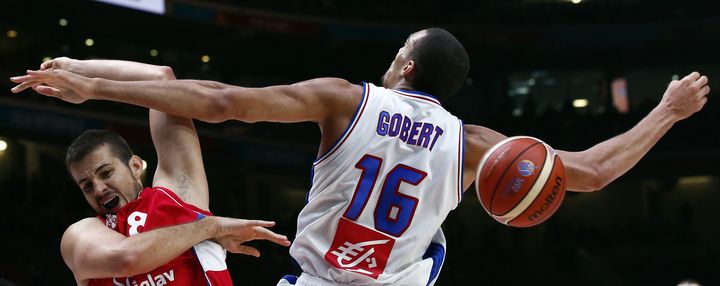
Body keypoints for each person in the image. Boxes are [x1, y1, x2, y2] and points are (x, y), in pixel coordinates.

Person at [10, 27, 710, 285]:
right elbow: (589, 172)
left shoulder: (346, 99)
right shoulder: (473, 146)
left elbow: (218, 100)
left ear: (404, 62)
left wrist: (92, 85)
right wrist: (666, 111)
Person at [13, 60, 291, 286]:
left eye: (105, 172)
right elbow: (125, 259)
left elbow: (161, 78)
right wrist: (211, 226)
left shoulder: (177, 195)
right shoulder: (81, 235)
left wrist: (80, 71)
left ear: (135, 166)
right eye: (86, 185)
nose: (98, 189)